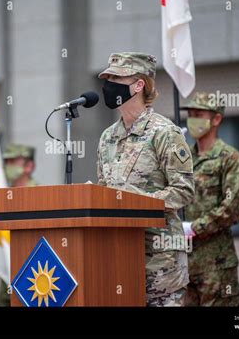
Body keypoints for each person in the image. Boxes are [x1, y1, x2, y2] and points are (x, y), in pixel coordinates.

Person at [96, 52, 194, 306]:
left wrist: (138, 202)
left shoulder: (164, 133)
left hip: (160, 263)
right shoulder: (107, 137)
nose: (108, 86)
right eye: (107, 79)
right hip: (118, 258)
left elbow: (184, 191)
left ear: (139, 85)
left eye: (116, 79)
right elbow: (103, 190)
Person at [181, 92, 239, 306]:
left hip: (216, 264)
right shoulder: (182, 159)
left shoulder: (230, 159)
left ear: (216, 119)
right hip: (184, 263)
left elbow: (235, 207)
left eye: (199, 114)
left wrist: (195, 227)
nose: (193, 119)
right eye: (191, 114)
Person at [0, 143, 37, 306]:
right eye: (6, 162)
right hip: (6, 267)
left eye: (13, 162)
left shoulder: (42, 196)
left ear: (29, 166)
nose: (8, 166)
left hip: (34, 271)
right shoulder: (2, 197)